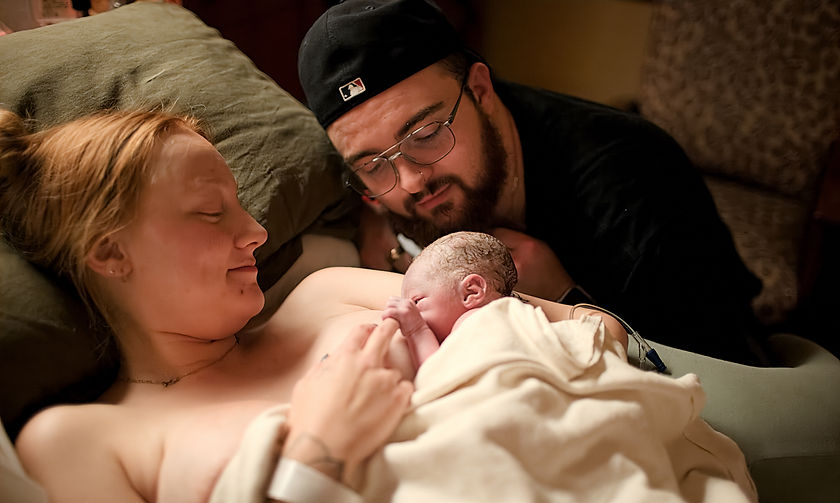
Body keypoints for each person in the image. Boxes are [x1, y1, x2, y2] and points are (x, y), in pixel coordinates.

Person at [0, 108, 607, 503]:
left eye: (240, 204)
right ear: (110, 252)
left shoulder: (327, 291)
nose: (256, 231)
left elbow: (592, 332)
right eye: (212, 212)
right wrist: (324, 452)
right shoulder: (79, 445)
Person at [296, 0, 765, 365]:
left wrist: (566, 301)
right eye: (375, 164)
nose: (413, 180)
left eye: (425, 134)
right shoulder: (390, 188)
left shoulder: (633, 184)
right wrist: (385, 227)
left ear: (480, 90)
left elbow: (707, 376)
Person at [382, 231, 518, 369]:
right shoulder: (510, 317)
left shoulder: (476, 318)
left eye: (417, 301)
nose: (411, 311)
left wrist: (417, 331)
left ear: (471, 292)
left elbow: (439, 373)